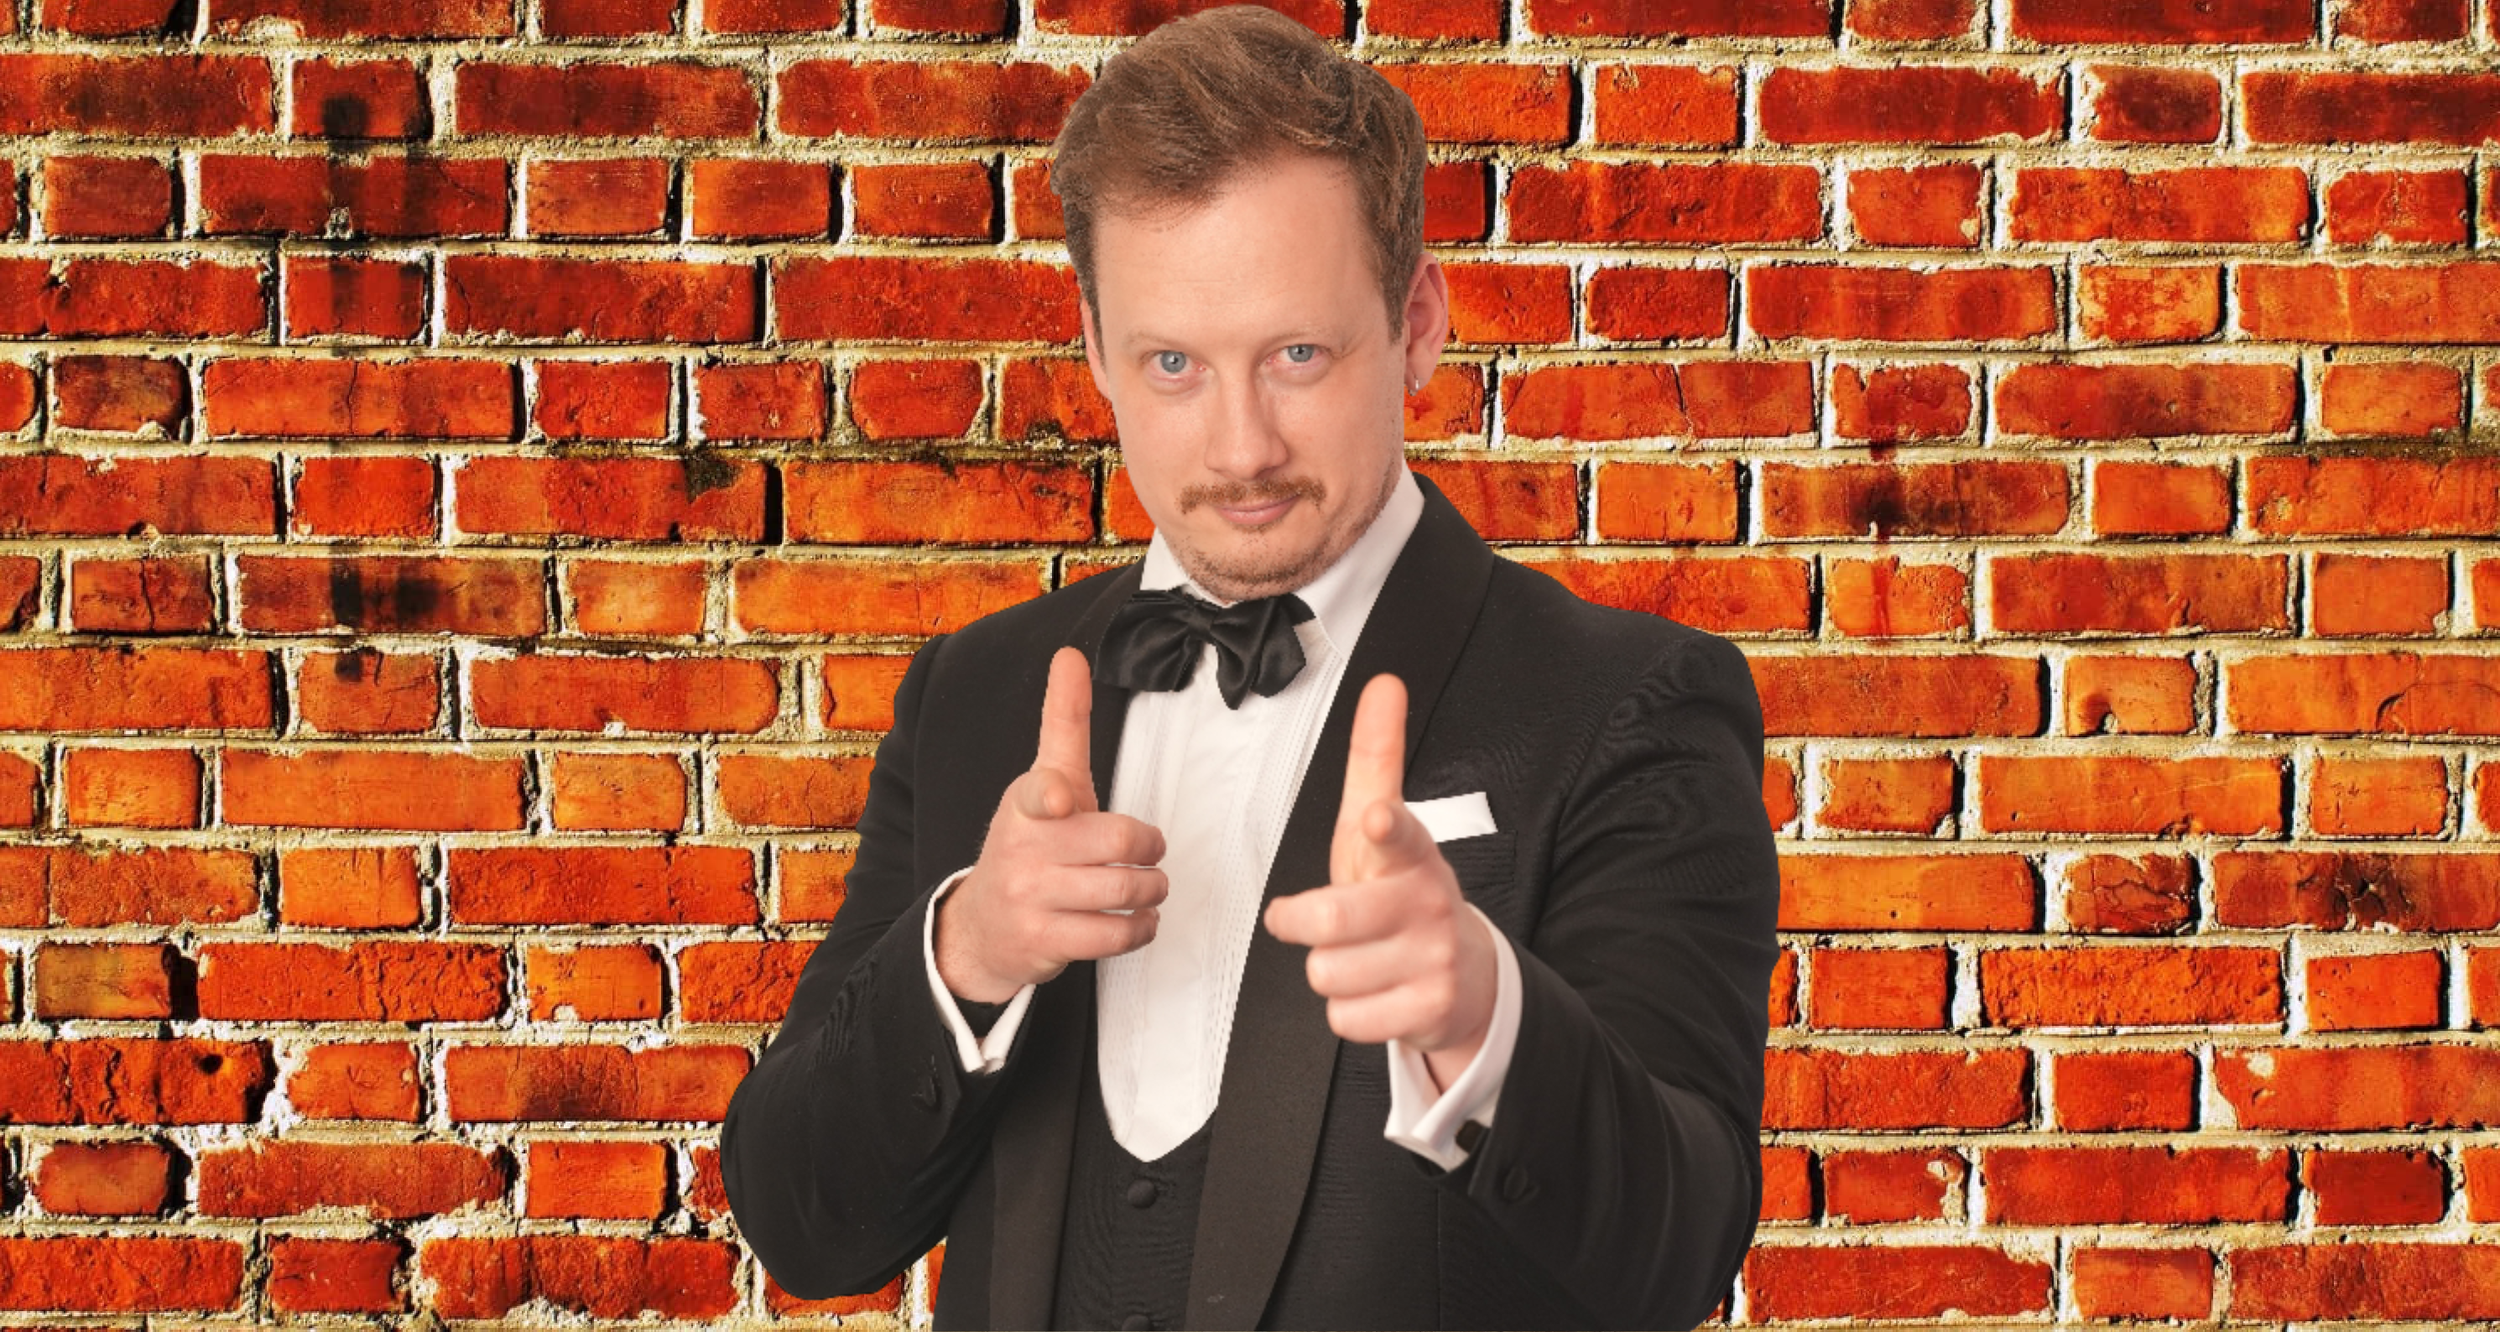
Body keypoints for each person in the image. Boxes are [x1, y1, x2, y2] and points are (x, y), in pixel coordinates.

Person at [718, 7, 1780, 1328]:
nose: (1242, 449)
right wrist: (968, 953)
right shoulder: (975, 695)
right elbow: (803, 1227)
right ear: (1096, 351)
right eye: (1173, 364)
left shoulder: (1628, 703)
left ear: (1417, 324)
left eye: (1297, 356)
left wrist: (1487, 1018)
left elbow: (1680, 1254)